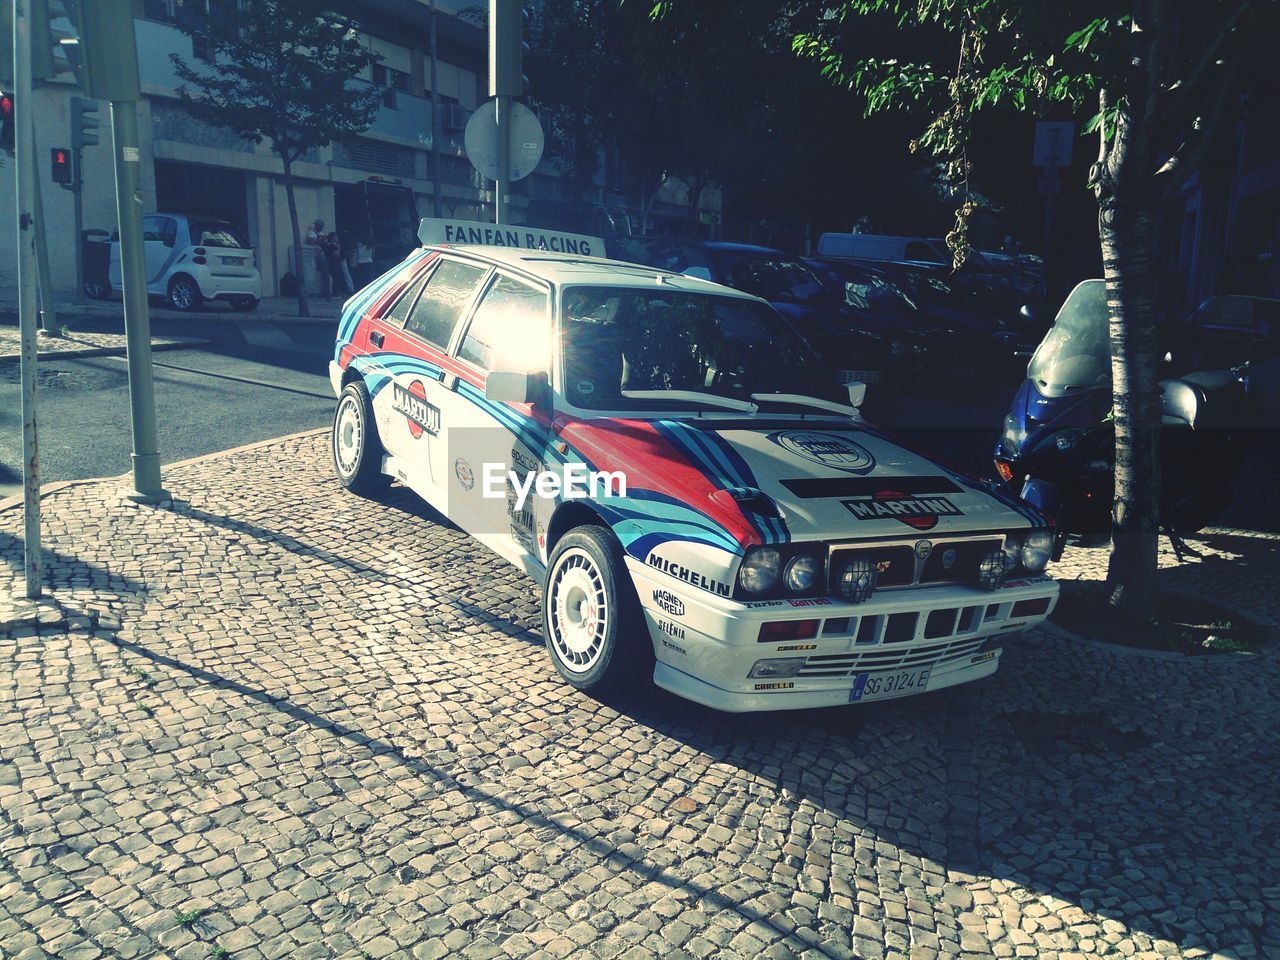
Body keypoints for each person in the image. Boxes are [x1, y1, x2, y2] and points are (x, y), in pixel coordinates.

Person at [306, 218, 330, 297]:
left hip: (323, 254)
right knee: (324, 273)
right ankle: (325, 292)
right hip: (316, 255)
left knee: (326, 274)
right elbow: (311, 242)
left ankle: (326, 291)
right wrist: (321, 239)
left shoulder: (321, 233)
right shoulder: (311, 233)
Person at [325, 231, 354, 296]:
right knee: (337, 275)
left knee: (344, 273)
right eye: (335, 237)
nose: (337, 238)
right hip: (335, 261)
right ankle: (336, 291)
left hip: (341, 259)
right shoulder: (332, 245)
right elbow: (336, 254)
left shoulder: (338, 244)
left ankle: (349, 289)